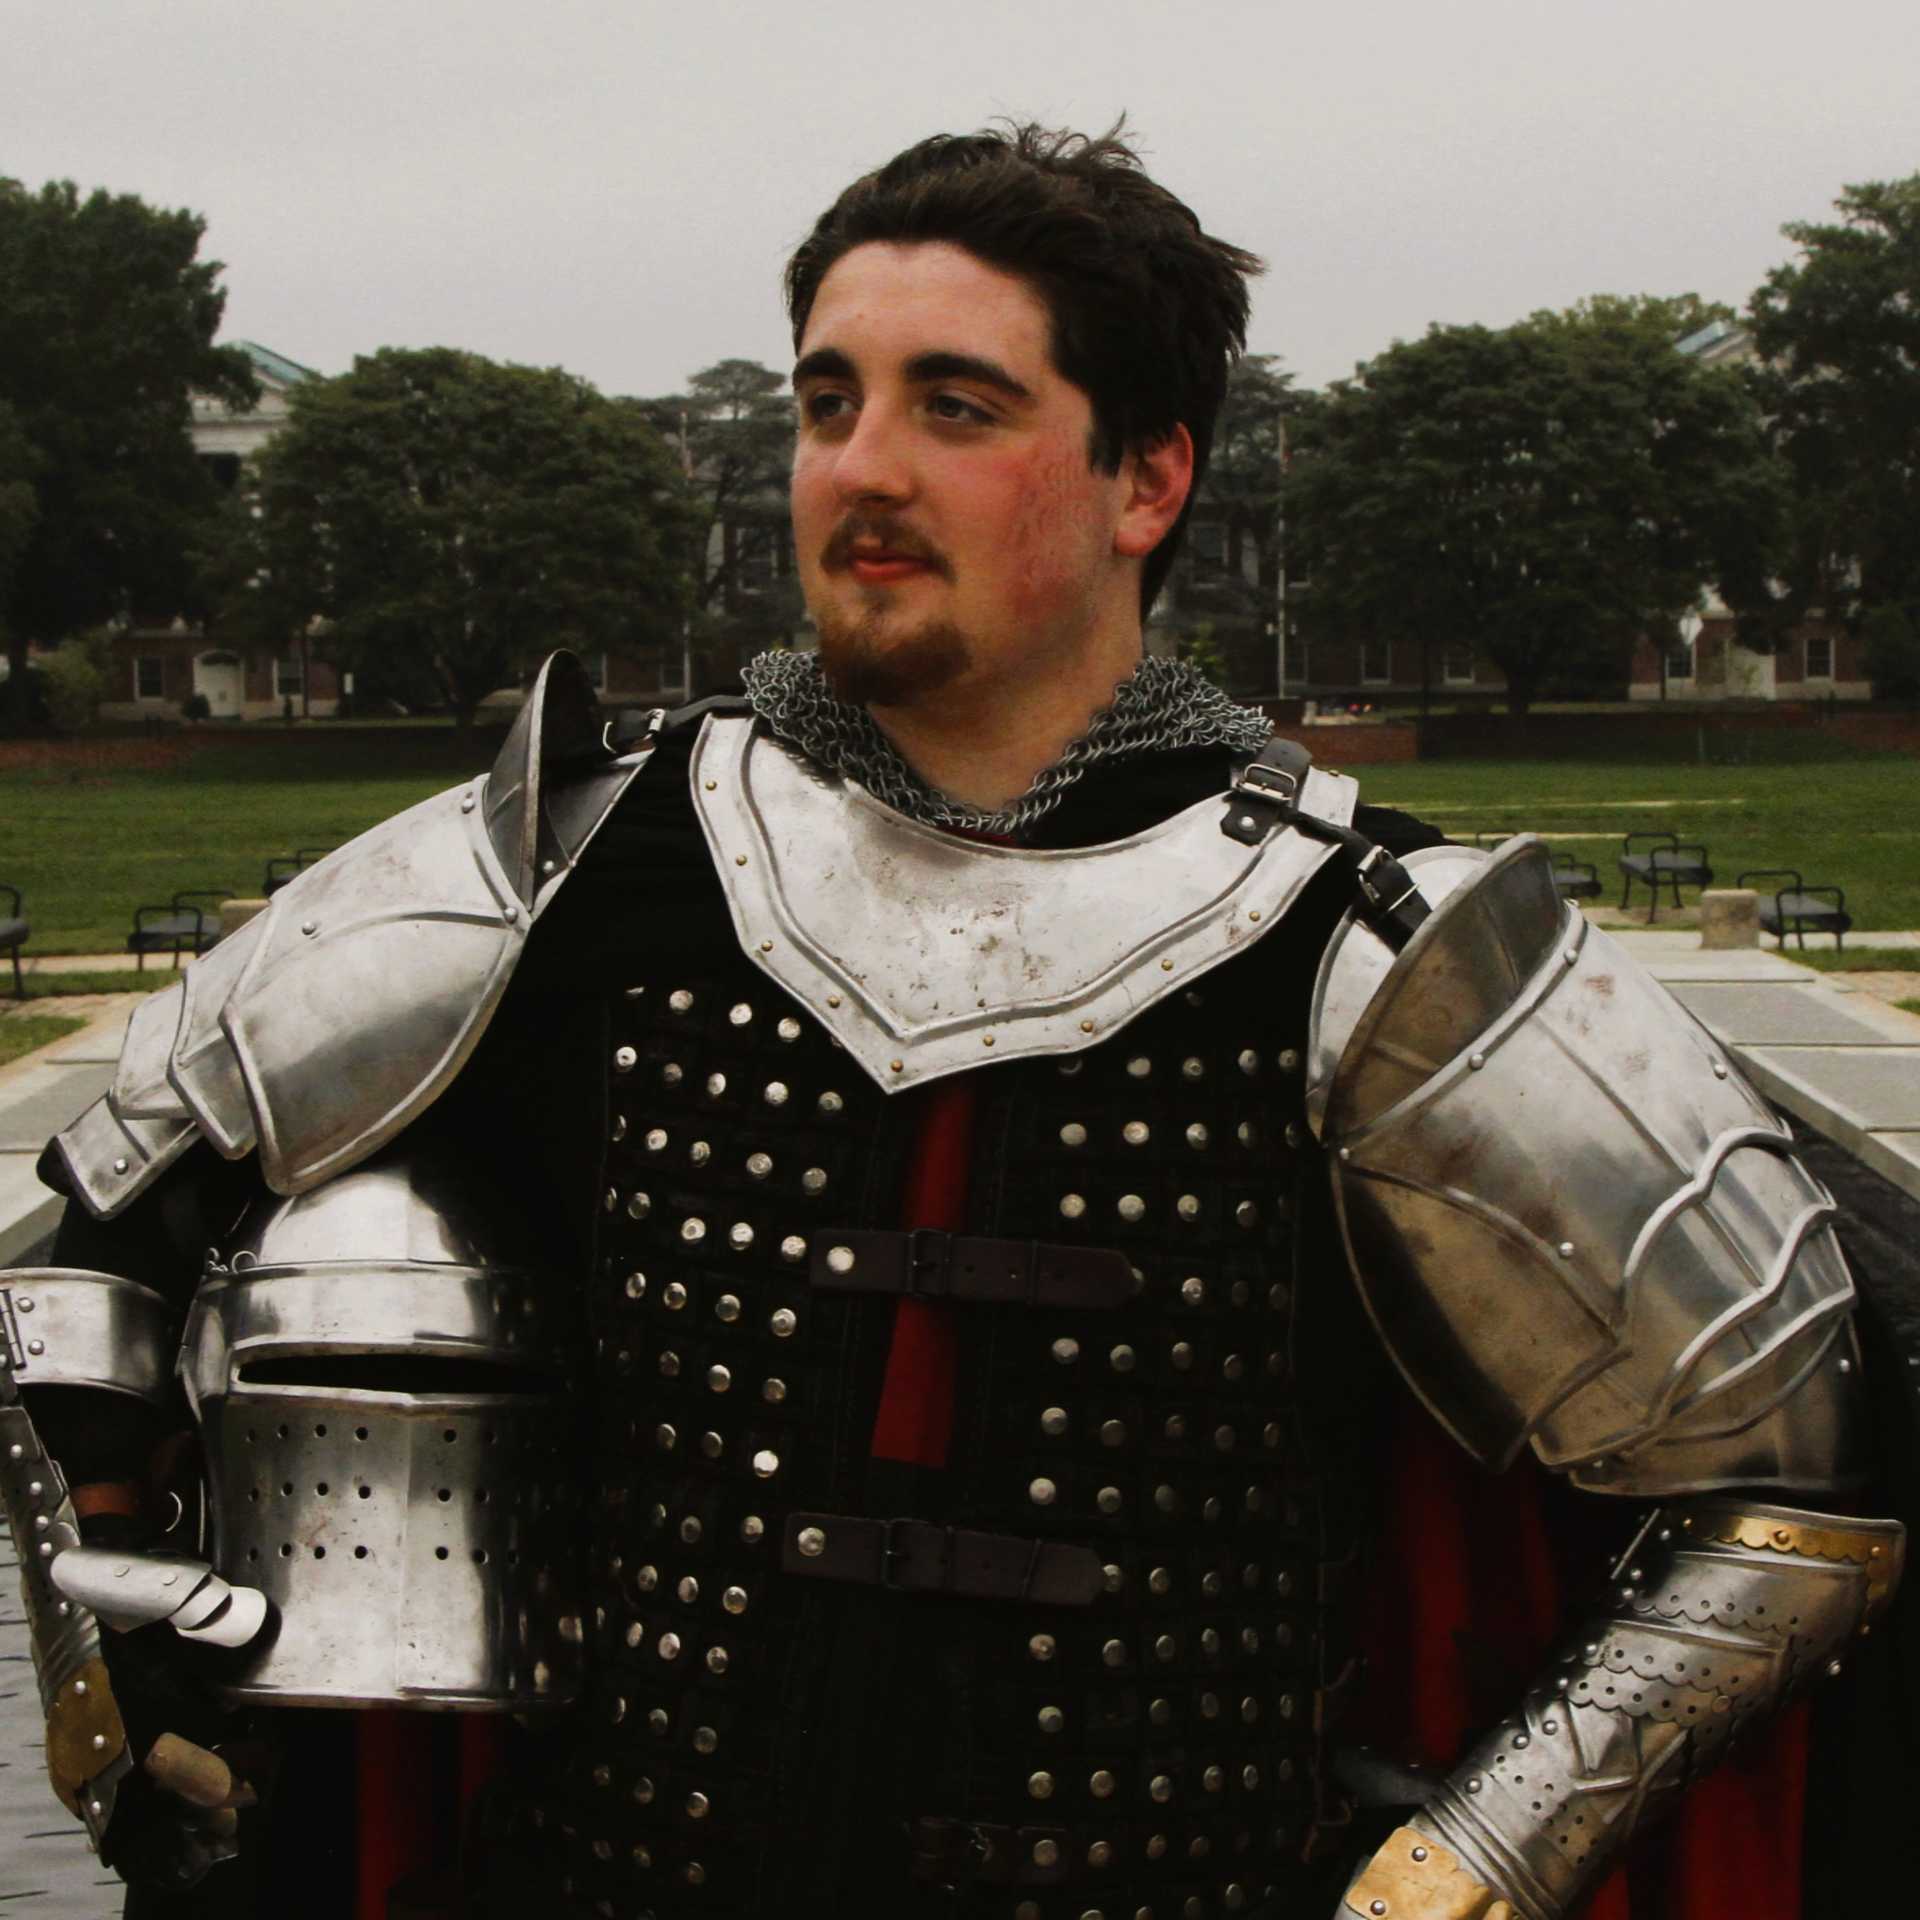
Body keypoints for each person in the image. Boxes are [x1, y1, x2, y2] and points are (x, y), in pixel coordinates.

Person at [0, 123, 1904, 1920]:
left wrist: (1463, 1871)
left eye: (956, 406)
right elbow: (101, 1232)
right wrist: (117, 1664)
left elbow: (1787, 1478)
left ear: (1149, 479)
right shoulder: (573, 867)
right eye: (829, 401)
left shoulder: (1367, 944)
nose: (861, 468)